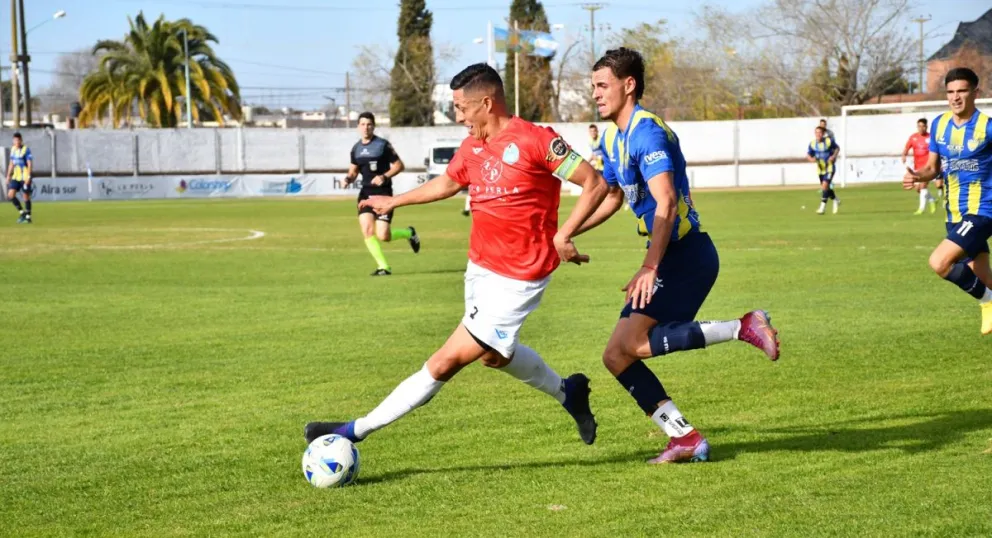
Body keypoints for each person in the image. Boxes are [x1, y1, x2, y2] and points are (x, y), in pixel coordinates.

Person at [304, 63, 610, 449]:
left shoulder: (536, 140)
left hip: (520, 277)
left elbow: (594, 183)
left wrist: (565, 234)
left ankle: (355, 430)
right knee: (494, 357)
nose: (459, 117)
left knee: (445, 361)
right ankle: (569, 393)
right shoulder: (473, 146)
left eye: (462, 109)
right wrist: (396, 200)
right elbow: (450, 182)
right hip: (479, 268)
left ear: (486, 102)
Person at [573, 47, 780, 465]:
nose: (594, 94)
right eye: (592, 86)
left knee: (632, 345)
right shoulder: (613, 136)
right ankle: (683, 437)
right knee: (616, 355)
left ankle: (743, 326)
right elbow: (613, 196)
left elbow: (666, 204)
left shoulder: (648, 132)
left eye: (601, 85)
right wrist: (567, 233)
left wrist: (650, 266)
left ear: (628, 85)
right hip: (669, 256)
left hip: (684, 256)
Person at [903, 67, 992, 335]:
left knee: (939, 262)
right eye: (951, 92)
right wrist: (918, 176)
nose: (955, 97)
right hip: (954, 213)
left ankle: (988, 303)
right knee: (983, 277)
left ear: (976, 92)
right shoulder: (939, 125)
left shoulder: (987, 128)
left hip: (982, 211)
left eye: (962, 90)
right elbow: (933, 167)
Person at [344, 112, 420, 276]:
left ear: (374, 126)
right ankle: (383, 267)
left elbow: (399, 165)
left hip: (384, 194)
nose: (366, 127)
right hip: (365, 195)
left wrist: (384, 176)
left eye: (369, 124)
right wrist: (348, 179)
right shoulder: (356, 149)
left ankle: (409, 233)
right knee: (367, 230)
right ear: (358, 127)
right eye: (363, 124)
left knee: (383, 235)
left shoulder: (382, 145)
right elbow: (353, 171)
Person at [903, 118, 938, 214]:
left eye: (923, 126)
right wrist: (904, 155)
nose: (921, 128)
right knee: (918, 189)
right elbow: (907, 147)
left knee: (923, 187)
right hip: (917, 166)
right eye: (919, 126)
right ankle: (932, 200)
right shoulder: (913, 137)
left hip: (927, 167)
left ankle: (921, 209)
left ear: (926, 127)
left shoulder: (931, 137)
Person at [807, 126, 841, 215]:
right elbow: (808, 155)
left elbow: (837, 148)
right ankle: (835, 199)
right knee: (826, 187)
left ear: (823, 134)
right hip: (820, 169)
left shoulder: (829, 141)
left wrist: (834, 156)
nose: (818, 134)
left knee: (825, 186)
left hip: (829, 168)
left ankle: (822, 208)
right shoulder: (812, 144)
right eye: (816, 132)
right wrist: (811, 159)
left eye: (820, 132)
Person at [6, 132, 33, 224]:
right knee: (10, 195)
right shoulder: (13, 150)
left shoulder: (26, 150)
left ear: (21, 140)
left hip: (25, 177)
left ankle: (28, 217)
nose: (17, 142)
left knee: (26, 196)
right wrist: (8, 175)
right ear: (13, 141)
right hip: (16, 177)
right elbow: (11, 163)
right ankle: (22, 213)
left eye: (18, 140)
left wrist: (28, 177)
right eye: (15, 140)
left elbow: (29, 164)